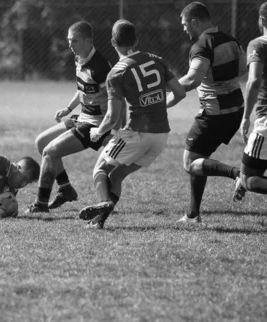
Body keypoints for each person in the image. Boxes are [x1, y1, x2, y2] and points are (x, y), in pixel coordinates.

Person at [77, 19, 186, 229]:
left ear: (112, 42)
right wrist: (161, 105)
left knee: (99, 170)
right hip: (161, 137)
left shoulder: (116, 73)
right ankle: (98, 222)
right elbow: (180, 93)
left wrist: (97, 132)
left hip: (137, 134)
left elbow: (112, 117)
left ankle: (104, 202)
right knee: (116, 175)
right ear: (136, 40)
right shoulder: (157, 60)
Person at [26, 21, 113, 213]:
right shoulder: (79, 59)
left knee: (50, 152)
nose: (70, 45)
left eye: (74, 41)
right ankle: (66, 190)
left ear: (88, 41)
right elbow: (82, 89)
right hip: (82, 117)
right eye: (69, 40)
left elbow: (115, 99)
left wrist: (106, 130)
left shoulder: (100, 68)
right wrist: (68, 108)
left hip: (94, 125)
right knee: (41, 143)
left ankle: (40, 204)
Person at [175, 2, 248, 225]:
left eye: (185, 24)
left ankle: (237, 174)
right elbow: (243, 67)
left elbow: (192, 80)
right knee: (199, 157)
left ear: (195, 22)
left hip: (214, 114)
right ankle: (192, 215)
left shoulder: (201, 46)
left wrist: (164, 88)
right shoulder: (231, 40)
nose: (185, 29)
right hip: (235, 110)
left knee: (190, 162)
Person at [237, 2, 267, 197]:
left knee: (250, 179)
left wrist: (246, 116)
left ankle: (241, 183)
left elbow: (254, 81)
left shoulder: (259, 44)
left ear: (262, 19)